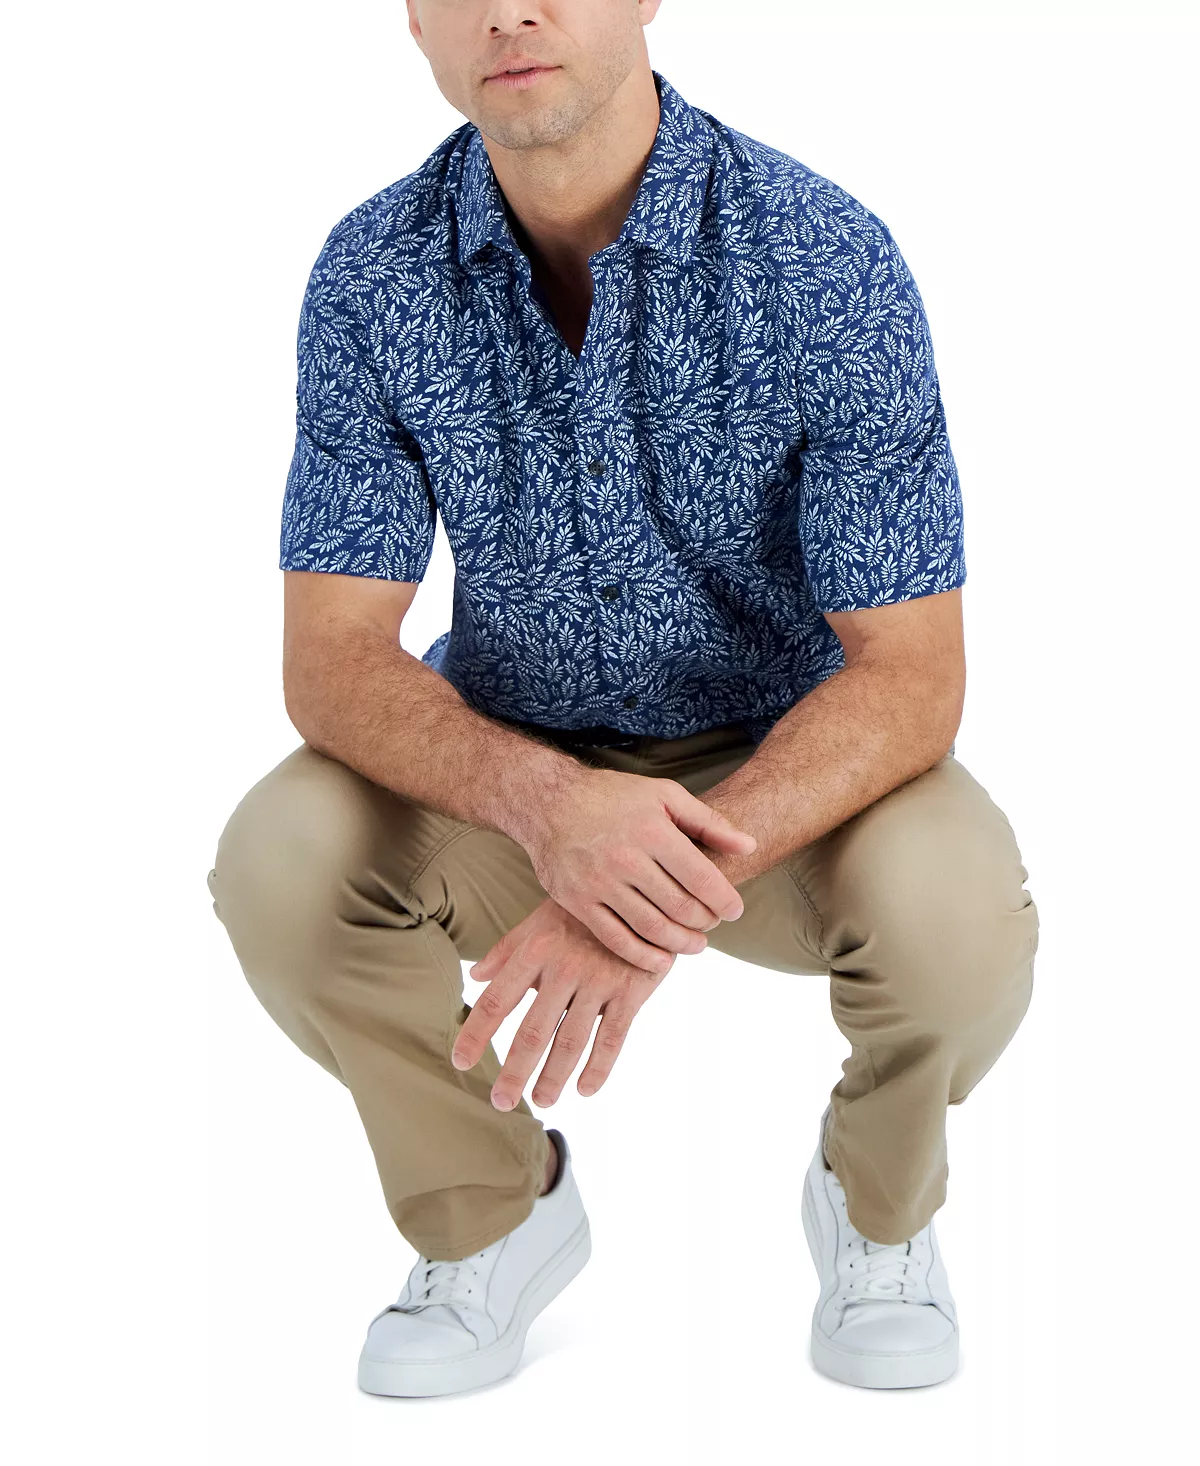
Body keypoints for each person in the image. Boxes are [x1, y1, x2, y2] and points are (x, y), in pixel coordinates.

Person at [207, 0, 1039, 1397]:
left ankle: (877, 1202)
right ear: (413, 19)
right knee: (281, 856)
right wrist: (550, 809)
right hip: (509, 771)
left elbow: (913, 675)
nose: (509, 11)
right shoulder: (372, 275)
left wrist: (644, 887)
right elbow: (332, 656)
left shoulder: (821, 256)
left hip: (788, 779)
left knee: (958, 912)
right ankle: (493, 1204)